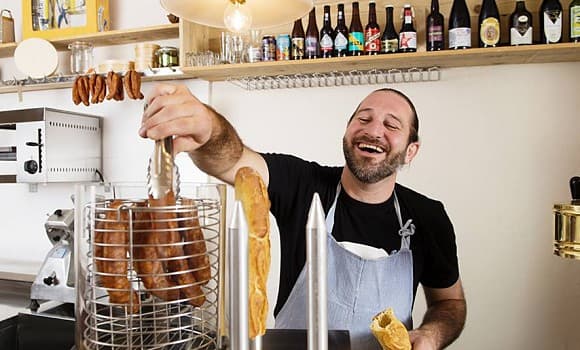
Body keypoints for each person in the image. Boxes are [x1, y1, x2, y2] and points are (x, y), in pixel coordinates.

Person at [139, 84, 467, 350]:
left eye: (391, 125)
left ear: (411, 150)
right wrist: (208, 127)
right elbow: (231, 160)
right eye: (363, 119)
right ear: (347, 131)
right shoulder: (302, 183)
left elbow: (450, 303)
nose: (373, 131)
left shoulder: (427, 217)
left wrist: (431, 335)